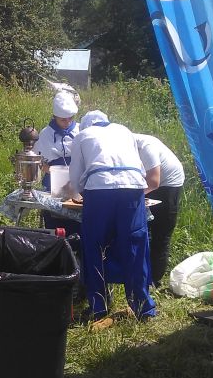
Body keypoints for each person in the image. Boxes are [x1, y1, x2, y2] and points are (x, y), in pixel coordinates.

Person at [68, 110, 156, 321]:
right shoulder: (124, 131)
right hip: (133, 189)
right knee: (134, 246)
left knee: (95, 246)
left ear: (86, 126)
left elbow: (75, 178)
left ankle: (99, 307)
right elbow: (139, 166)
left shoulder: (82, 136)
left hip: (99, 191)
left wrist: (83, 194)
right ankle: (143, 307)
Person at [134, 133, 185, 287]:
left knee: (161, 233)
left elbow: (153, 182)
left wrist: (130, 197)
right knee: (143, 230)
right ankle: (140, 275)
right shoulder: (123, 147)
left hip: (168, 184)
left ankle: (154, 280)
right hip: (148, 181)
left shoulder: (145, 146)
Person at [34, 89, 80, 231]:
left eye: (70, 119)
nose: (67, 122)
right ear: (55, 117)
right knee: (55, 223)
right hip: (53, 182)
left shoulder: (80, 130)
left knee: (77, 223)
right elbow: (38, 160)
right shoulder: (46, 134)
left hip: (77, 183)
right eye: (62, 120)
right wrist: (54, 171)